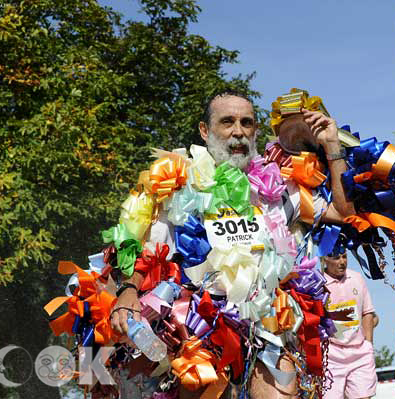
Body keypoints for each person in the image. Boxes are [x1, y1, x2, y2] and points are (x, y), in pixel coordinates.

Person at [110, 90, 355, 399]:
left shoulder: (278, 185)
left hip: (267, 324)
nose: (238, 131)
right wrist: (128, 291)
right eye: (227, 122)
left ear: (255, 131)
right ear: (205, 131)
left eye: (246, 122)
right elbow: (148, 251)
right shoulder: (179, 184)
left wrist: (332, 144)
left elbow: (344, 213)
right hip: (199, 329)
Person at [322, 252, 377, 399]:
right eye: (336, 258)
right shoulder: (316, 283)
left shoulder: (357, 278)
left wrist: (368, 344)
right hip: (331, 356)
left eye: (344, 256)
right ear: (325, 259)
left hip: (360, 353)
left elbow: (368, 313)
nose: (342, 262)